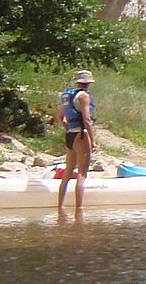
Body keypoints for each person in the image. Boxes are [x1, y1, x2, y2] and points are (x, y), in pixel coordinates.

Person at [57, 69, 96, 212]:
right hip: (81, 135)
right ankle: (79, 209)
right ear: (88, 83)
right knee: (82, 173)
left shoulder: (68, 95)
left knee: (68, 171)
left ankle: (60, 207)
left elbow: (60, 116)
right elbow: (87, 119)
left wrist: (67, 128)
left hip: (70, 134)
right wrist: (92, 141)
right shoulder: (84, 96)